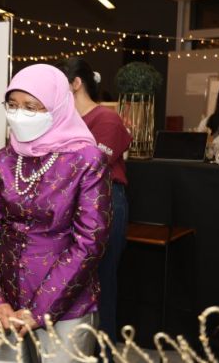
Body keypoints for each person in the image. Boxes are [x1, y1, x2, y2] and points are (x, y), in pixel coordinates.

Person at [0, 64, 111, 362]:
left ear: (57, 106)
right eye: (12, 105)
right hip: (7, 303)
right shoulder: (5, 159)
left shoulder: (87, 159)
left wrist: (41, 309)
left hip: (67, 302)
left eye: (31, 107)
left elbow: (89, 242)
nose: (18, 114)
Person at [57, 57, 132, 356]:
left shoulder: (106, 119)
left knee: (103, 281)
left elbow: (93, 167)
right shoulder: (65, 120)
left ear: (75, 83)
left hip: (105, 201)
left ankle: (104, 353)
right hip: (69, 204)